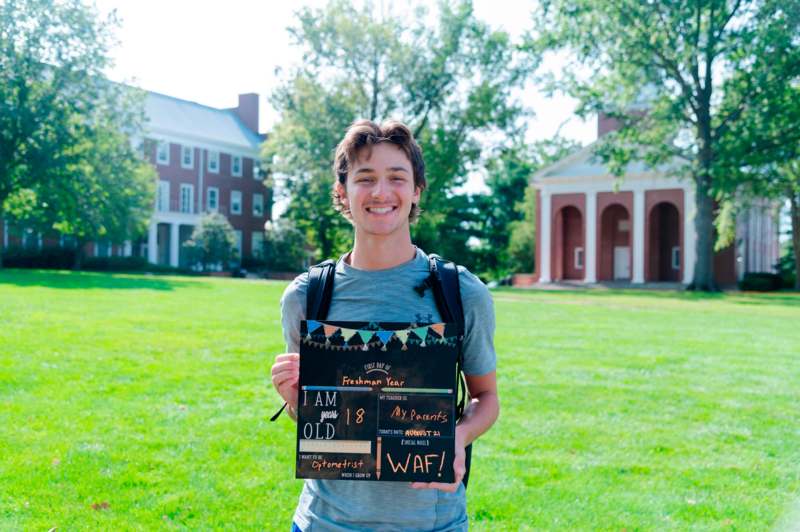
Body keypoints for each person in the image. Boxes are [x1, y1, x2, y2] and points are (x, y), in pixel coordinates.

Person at [271, 119, 499, 531]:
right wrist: (294, 400)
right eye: (365, 178)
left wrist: (459, 437)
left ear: (415, 191)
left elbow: (486, 397)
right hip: (324, 522)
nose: (380, 192)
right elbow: (314, 417)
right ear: (342, 192)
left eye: (396, 177)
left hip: (432, 523)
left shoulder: (461, 292)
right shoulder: (306, 296)